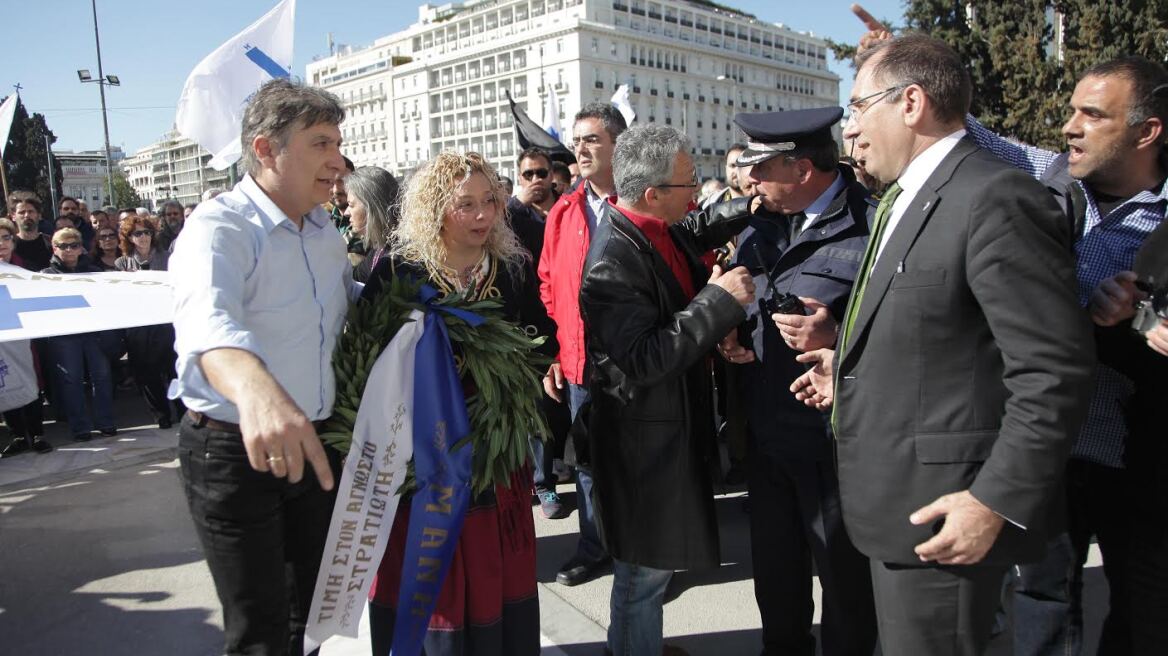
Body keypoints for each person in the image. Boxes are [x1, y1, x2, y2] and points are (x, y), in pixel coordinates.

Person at [792, 34, 1094, 654]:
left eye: (857, 107)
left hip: (948, 515)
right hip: (895, 508)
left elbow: (1052, 371)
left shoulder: (993, 198)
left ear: (910, 103)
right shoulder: (904, 198)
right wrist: (848, 367)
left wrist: (995, 500)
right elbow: (940, 334)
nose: (850, 130)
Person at [959, 55, 1168, 655]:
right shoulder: (1049, 179)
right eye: (1071, 110)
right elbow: (971, 130)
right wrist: (897, 63)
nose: (1069, 126)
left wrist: (1138, 320)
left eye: (1092, 114)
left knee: (1144, 606)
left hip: (1139, 456)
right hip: (1047, 446)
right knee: (1044, 602)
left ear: (1146, 131)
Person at [168, 78, 353, 655]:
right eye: (321, 143)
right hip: (233, 452)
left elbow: (352, 307)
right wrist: (257, 391)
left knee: (312, 617)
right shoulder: (217, 230)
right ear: (267, 150)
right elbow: (208, 326)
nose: (338, 160)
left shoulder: (325, 231)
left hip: (314, 445)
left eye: (338, 142)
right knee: (261, 633)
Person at [363, 151, 551, 656]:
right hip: (422, 455)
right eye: (464, 204)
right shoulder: (399, 270)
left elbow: (541, 337)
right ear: (433, 209)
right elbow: (364, 353)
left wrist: (522, 369)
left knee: (493, 566)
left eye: (490, 201)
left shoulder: (510, 269)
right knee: (429, 564)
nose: (483, 215)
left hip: (493, 453)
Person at [578, 124, 756, 656]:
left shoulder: (655, 224)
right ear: (653, 194)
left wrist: (752, 200)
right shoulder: (612, 260)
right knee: (643, 572)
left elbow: (698, 225)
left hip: (663, 438)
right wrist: (718, 303)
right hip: (642, 449)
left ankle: (637, 645)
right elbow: (644, 358)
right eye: (688, 184)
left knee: (650, 568)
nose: (697, 192)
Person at [720, 107, 877, 656]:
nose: (750, 178)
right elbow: (748, 301)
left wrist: (838, 333)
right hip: (767, 440)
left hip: (833, 446)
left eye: (762, 167)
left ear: (803, 168)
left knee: (847, 590)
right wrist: (731, 332)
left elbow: (910, 327)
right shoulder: (758, 227)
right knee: (777, 583)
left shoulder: (871, 226)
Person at [539, 102, 626, 587]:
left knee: (639, 464)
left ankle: (645, 558)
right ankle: (594, 547)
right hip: (579, 366)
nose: (581, 149)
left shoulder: (643, 200)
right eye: (577, 141)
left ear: (618, 143)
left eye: (592, 139)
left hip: (636, 364)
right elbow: (549, 283)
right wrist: (559, 350)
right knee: (588, 464)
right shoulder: (563, 212)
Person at [509, 146, 567, 518]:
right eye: (528, 174)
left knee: (562, 407)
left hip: (568, 320)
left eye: (540, 174)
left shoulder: (566, 209)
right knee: (538, 408)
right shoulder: (510, 215)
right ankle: (542, 483)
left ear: (551, 175)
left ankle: (562, 469)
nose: (535, 181)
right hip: (529, 323)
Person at [41, 227, 117, 442]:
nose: (69, 250)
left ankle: (106, 422)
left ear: (80, 248)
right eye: (63, 246)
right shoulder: (45, 276)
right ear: (54, 249)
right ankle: (80, 427)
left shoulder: (94, 272)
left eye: (73, 245)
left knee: (101, 377)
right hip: (64, 335)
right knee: (70, 380)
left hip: (94, 332)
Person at [116, 215, 181, 428]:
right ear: (129, 238)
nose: (143, 237)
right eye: (137, 233)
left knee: (174, 369)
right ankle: (160, 414)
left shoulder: (168, 257)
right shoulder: (122, 263)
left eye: (147, 232)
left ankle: (182, 410)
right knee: (147, 372)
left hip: (167, 323)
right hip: (140, 327)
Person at [0, 217, 51, 457]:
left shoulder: (25, 268)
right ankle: (18, 436)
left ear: (13, 241)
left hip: (25, 336)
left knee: (31, 382)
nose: (1, 243)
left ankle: (37, 434)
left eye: (6, 237)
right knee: (5, 383)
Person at [341, 165, 399, 282]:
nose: (347, 213)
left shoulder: (399, 258)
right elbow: (354, 278)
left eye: (351, 205)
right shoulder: (379, 250)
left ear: (372, 207)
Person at [11, 196, 53, 271]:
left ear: (39, 215)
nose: (26, 215)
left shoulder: (51, 243)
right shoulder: (9, 245)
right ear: (13, 216)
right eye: (22, 212)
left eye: (30, 211)